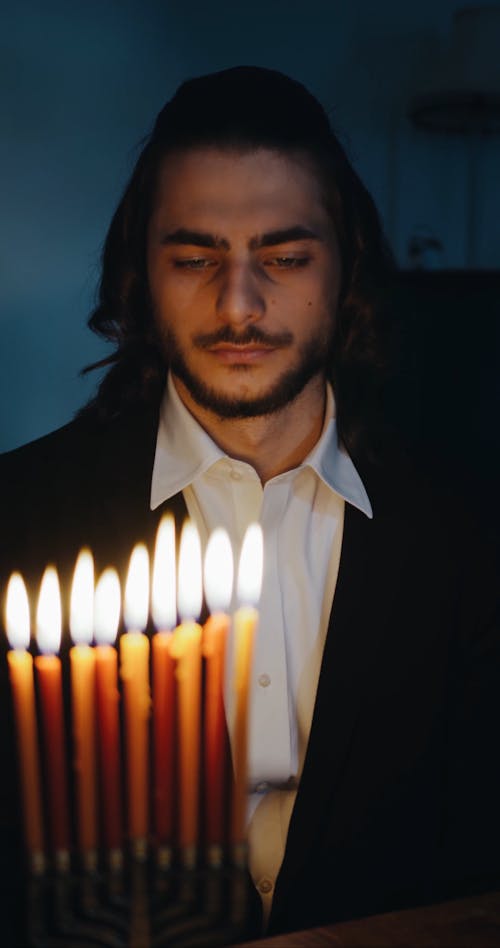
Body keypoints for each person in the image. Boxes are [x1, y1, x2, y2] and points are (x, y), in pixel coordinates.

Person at [0, 66, 499, 940]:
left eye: (285, 257)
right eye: (194, 258)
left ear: (347, 268)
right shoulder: (18, 520)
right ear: (137, 274)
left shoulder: (468, 532)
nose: (238, 304)